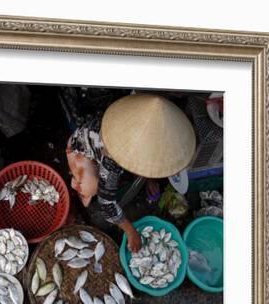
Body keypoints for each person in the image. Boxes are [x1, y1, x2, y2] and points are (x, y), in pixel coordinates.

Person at [66, 94, 196, 252]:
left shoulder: (145, 114)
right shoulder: (112, 158)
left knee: (112, 178)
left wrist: (149, 179)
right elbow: (106, 204)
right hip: (80, 149)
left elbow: (153, 153)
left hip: (100, 138)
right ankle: (77, 180)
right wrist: (130, 231)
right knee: (92, 189)